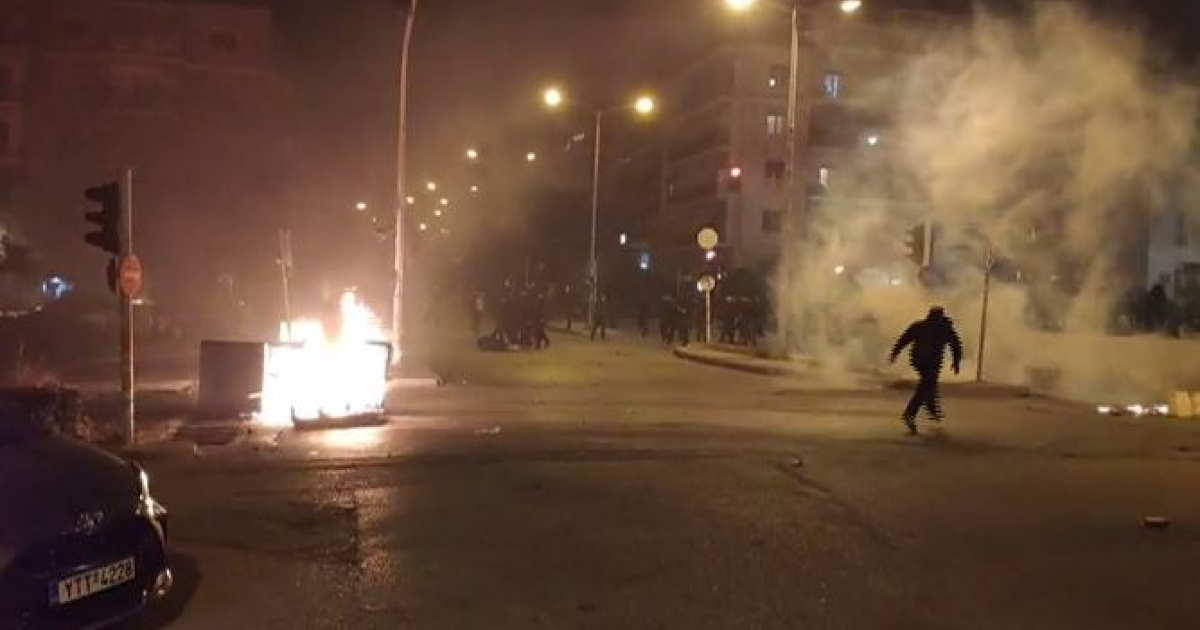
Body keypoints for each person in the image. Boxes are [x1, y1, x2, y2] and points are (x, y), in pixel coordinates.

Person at [889, 306, 963, 435]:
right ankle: (911, 413)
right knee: (926, 385)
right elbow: (904, 339)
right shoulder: (937, 328)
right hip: (925, 361)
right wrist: (895, 352)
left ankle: (930, 409)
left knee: (929, 384)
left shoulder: (935, 328)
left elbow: (956, 346)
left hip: (924, 360)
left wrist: (956, 362)